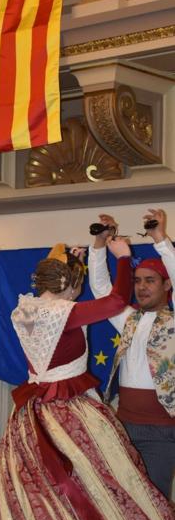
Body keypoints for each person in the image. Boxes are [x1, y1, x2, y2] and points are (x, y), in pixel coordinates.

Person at [0, 240, 175, 520]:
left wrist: (73, 263)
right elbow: (118, 299)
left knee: (36, 506)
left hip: (28, 416)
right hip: (68, 417)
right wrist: (122, 258)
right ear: (71, 286)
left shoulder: (25, 308)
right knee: (100, 495)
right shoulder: (67, 313)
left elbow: (69, 299)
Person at [89, 209, 175, 501]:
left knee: (155, 503)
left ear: (167, 285)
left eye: (150, 280)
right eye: (137, 280)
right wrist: (99, 245)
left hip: (162, 432)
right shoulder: (128, 318)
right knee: (123, 504)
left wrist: (160, 239)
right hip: (123, 425)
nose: (141, 287)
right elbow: (102, 290)